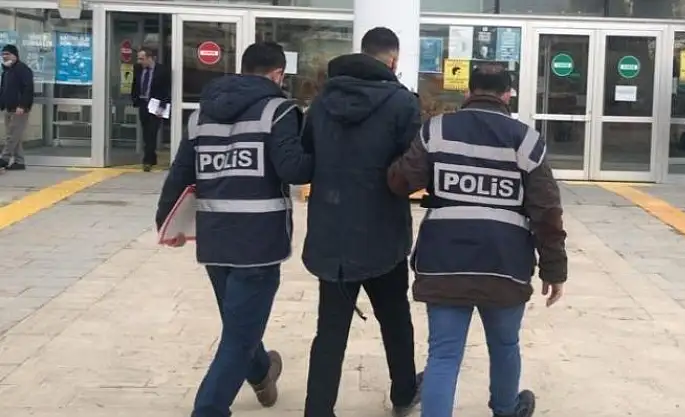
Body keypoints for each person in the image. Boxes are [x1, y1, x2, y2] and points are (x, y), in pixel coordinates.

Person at [387, 64, 568, 417]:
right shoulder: (527, 140)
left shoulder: (437, 130)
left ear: (468, 92)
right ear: (507, 95)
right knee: (504, 345)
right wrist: (554, 268)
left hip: (444, 261)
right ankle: (505, 408)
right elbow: (547, 211)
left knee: (443, 354)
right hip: (505, 263)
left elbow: (401, 182)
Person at [155, 42, 313, 417]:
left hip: (215, 239)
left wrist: (166, 223)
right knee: (239, 336)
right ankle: (208, 408)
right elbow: (294, 171)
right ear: (278, 74)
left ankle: (261, 372)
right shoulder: (278, 110)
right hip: (258, 242)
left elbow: (180, 172)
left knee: (239, 323)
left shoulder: (201, 114)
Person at [300, 27, 423, 417]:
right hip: (382, 234)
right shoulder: (402, 103)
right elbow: (411, 169)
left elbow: (306, 155)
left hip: (331, 234)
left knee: (330, 330)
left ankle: (318, 409)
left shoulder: (321, 102)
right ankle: (403, 393)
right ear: (393, 60)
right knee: (395, 319)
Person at [132, 46, 171, 172]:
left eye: (142, 59)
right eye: (138, 59)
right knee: (146, 133)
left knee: (152, 132)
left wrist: (162, 106)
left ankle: (147, 161)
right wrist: (135, 100)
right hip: (143, 104)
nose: (139, 61)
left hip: (156, 105)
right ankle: (152, 156)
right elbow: (135, 84)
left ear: (150, 58)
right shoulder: (138, 68)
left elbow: (167, 90)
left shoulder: (162, 71)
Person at [0, 44, 33, 171]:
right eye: (3, 54)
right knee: (15, 135)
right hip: (8, 108)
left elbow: (28, 88)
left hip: (19, 109)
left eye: (7, 54)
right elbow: (4, 89)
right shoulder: (7, 71)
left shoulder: (22, 69)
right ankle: (19, 162)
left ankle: (4, 158)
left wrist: (23, 106)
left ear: (15, 55)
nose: (5, 56)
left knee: (12, 135)